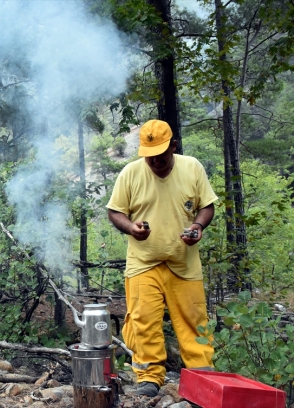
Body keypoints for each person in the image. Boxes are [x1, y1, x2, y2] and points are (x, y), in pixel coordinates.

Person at [106, 119, 216, 397]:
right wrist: (130, 227)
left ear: (174, 147)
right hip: (144, 263)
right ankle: (148, 378)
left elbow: (207, 206)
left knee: (194, 320)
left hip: (184, 262)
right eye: (149, 157)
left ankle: (202, 376)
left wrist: (198, 226)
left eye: (161, 156)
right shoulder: (130, 173)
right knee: (143, 320)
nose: (155, 162)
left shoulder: (192, 167)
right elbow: (115, 212)